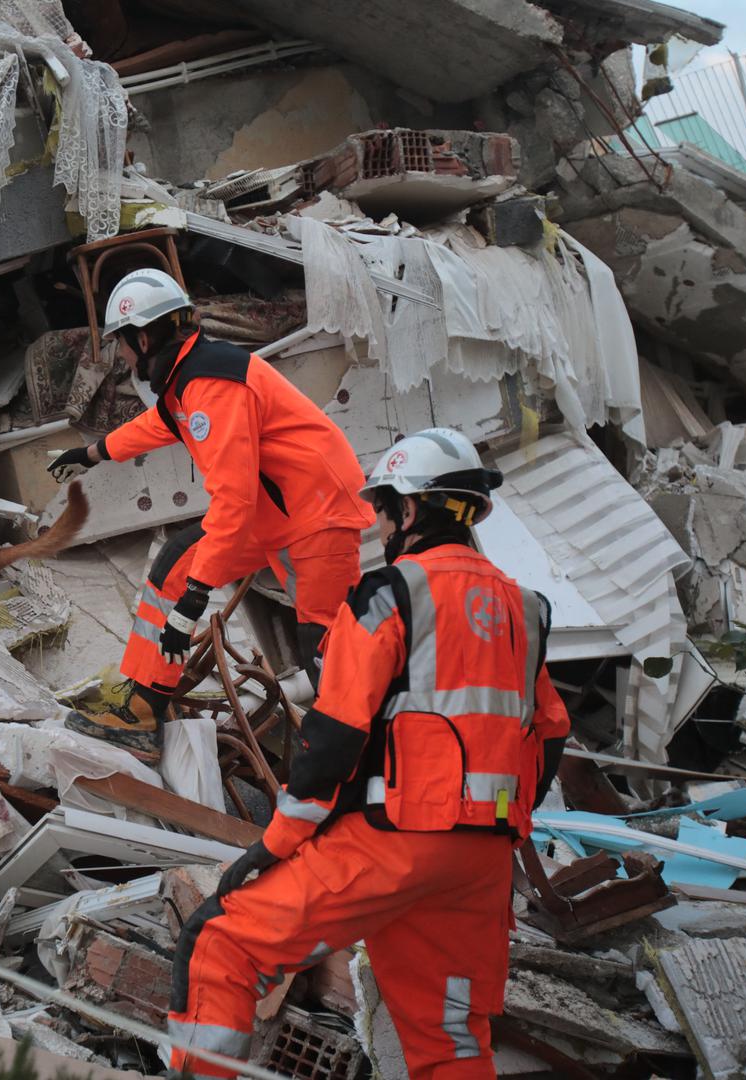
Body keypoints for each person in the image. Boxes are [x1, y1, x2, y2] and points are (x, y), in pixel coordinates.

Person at [164, 427, 572, 1079]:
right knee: (451, 1042)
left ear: (408, 511)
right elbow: (550, 732)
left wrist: (274, 846)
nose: (379, 525)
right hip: (482, 863)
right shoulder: (526, 609)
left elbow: (333, 737)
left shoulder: (388, 594)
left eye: (382, 510)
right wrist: (505, 827)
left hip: (395, 844)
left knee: (222, 943)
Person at [47, 268, 374, 762]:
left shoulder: (213, 385)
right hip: (279, 512)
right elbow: (162, 423)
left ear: (143, 335)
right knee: (174, 565)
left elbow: (234, 499)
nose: (121, 356)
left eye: (122, 344)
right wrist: (94, 453)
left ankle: (355, 763)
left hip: (315, 516)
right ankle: (143, 709)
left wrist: (197, 598)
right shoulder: (189, 378)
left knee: (325, 649)